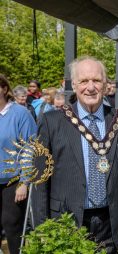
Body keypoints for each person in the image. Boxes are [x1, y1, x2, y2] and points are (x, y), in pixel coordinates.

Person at [32, 56, 118, 253]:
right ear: (74, 85)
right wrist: (41, 229)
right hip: (66, 220)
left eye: (97, 80)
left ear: (105, 85)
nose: (90, 87)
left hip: (110, 221)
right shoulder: (51, 122)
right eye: (84, 81)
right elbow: (40, 181)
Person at [0, 74, 36, 254]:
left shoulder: (20, 114)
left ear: (4, 89)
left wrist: (24, 182)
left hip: (12, 181)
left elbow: (29, 148)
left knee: (11, 227)